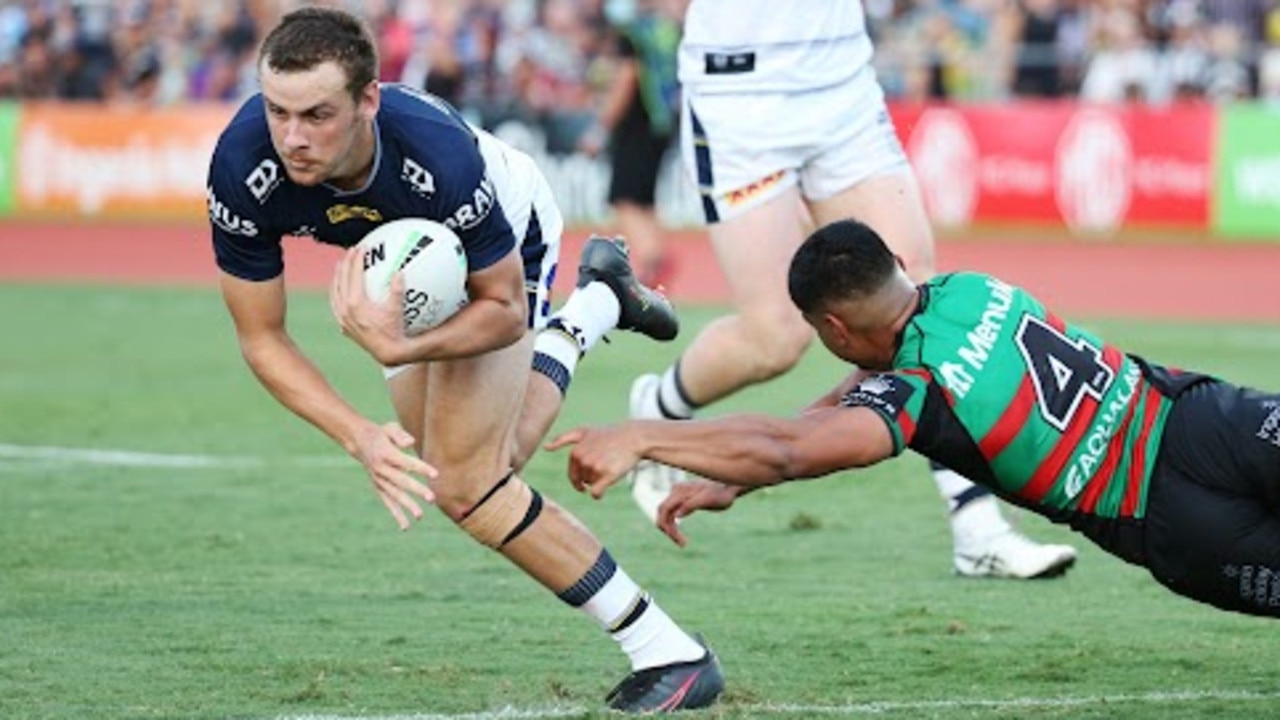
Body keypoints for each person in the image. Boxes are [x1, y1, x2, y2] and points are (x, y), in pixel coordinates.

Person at [205, 7, 722, 713]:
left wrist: (398, 346)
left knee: (469, 487)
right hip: (407, 269)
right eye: (277, 111)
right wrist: (356, 434)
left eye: (318, 115)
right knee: (473, 462)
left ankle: (670, 652)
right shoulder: (242, 165)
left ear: (367, 101)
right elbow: (261, 336)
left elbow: (504, 307)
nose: (293, 138)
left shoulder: (438, 158)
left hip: (502, 245)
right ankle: (597, 306)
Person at [551, 218, 1280, 620]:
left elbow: (788, 448)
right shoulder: (967, 290)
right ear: (897, 264)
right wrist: (738, 484)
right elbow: (861, 386)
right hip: (1206, 418)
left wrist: (644, 434)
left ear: (833, 329)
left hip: (1173, 519)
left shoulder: (921, 397)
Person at [624, 0, 1078, 579]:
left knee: (912, 299)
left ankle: (976, 527)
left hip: (839, 79)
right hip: (741, 93)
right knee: (775, 338)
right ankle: (660, 405)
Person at [579, 0, 684, 287]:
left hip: (637, 124)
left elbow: (627, 79)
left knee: (623, 198)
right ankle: (657, 256)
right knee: (644, 199)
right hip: (663, 123)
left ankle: (652, 264)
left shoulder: (634, 33)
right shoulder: (666, 30)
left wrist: (600, 128)